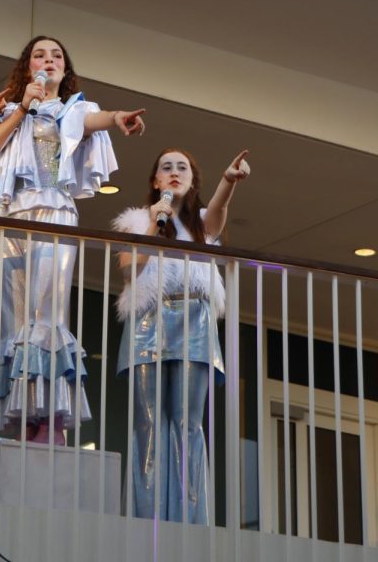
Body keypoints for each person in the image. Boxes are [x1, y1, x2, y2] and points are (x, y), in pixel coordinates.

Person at [0, 35, 146, 443]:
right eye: (40, 55)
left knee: (46, 314)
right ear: (28, 67)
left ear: (65, 68)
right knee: (11, 318)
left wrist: (115, 118)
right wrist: (23, 106)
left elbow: (92, 120)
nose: (49, 60)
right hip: (10, 215)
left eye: (56, 55)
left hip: (54, 212)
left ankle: (49, 420)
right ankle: (19, 418)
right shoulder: (7, 109)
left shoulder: (73, 109)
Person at [111, 147, 250, 522]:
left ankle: (189, 519)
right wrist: (154, 226)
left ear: (193, 179)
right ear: (156, 181)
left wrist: (229, 181)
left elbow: (219, 213)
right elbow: (128, 272)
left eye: (182, 167)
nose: (174, 172)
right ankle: (147, 519)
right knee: (149, 421)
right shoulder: (138, 220)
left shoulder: (203, 223)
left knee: (188, 421)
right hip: (148, 320)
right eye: (166, 168)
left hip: (194, 317)